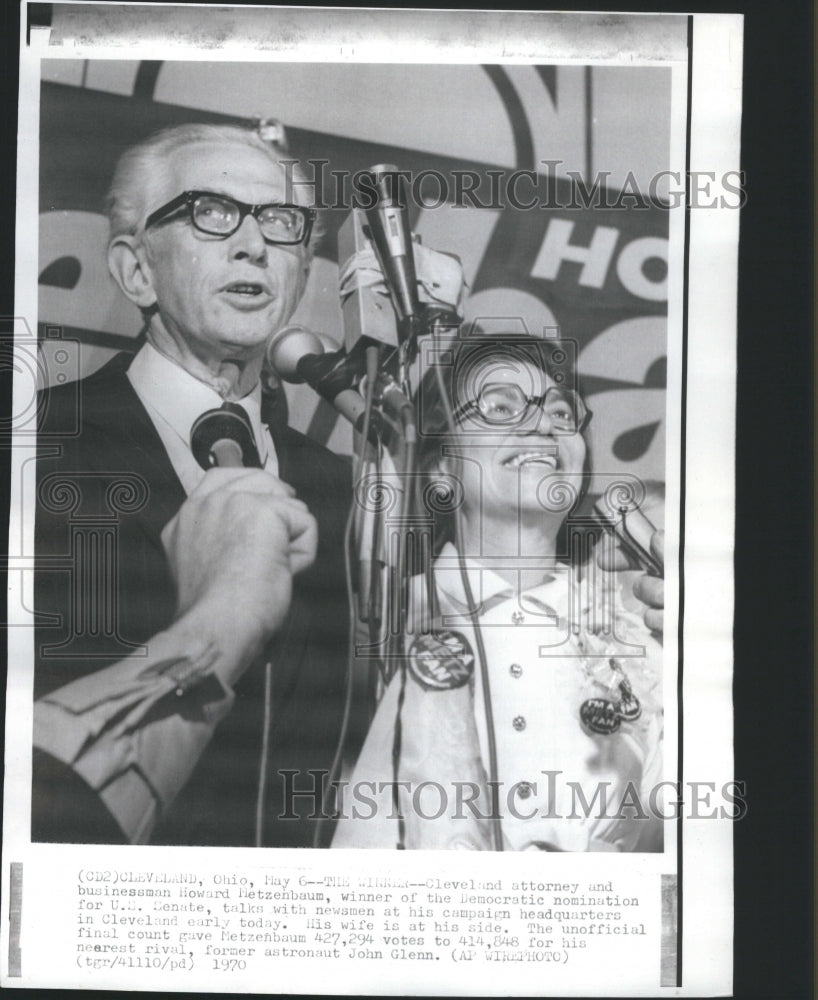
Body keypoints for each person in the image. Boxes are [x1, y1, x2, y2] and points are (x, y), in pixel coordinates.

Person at [32, 123, 351, 847]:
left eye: (280, 221)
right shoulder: (29, 451)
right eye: (211, 213)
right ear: (136, 270)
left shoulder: (349, 490)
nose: (254, 244)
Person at [332, 334, 665, 851]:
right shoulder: (383, 618)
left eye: (560, 412)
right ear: (440, 467)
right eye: (500, 406)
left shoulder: (638, 638)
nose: (540, 424)